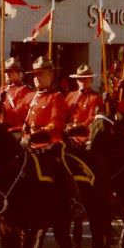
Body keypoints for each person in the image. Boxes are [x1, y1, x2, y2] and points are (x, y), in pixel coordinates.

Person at [21, 56, 85, 220]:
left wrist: (34, 135)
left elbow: (55, 125)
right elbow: (17, 118)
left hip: (49, 143)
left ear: (50, 75)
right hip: (28, 143)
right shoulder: (30, 97)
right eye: (35, 74)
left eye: (41, 74)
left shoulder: (56, 97)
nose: (37, 77)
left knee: (58, 166)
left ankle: (73, 201)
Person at [0, 57, 34, 135]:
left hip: (16, 130)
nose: (7, 74)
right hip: (1, 128)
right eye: (6, 72)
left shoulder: (25, 90)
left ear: (18, 73)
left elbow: (20, 112)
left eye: (10, 72)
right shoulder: (2, 89)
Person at [64, 64, 102, 146]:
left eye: (85, 79)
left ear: (91, 80)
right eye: (80, 79)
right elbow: (63, 114)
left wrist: (75, 130)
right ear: (77, 81)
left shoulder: (95, 97)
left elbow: (91, 120)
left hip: (84, 136)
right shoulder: (70, 96)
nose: (82, 82)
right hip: (67, 134)